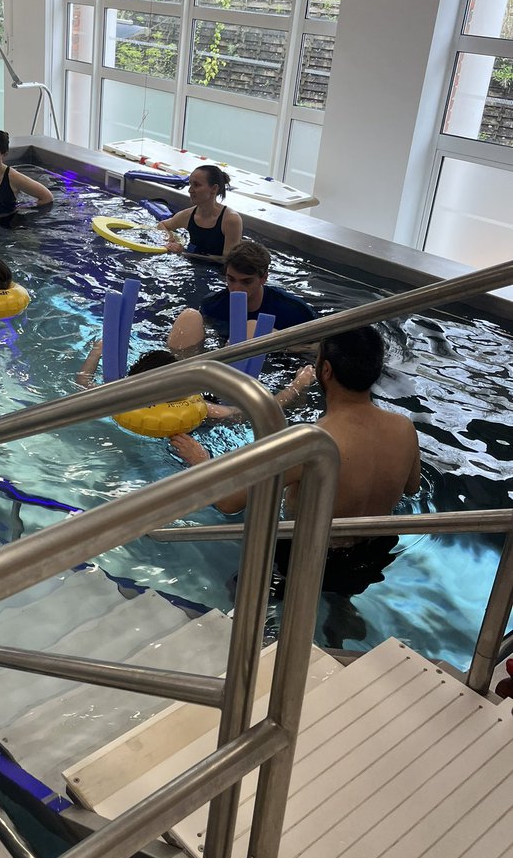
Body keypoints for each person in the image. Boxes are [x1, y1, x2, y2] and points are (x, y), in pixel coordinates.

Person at [172, 326, 421, 597]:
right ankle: (342, 615)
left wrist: (201, 461)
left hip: (308, 556)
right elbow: (411, 488)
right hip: (375, 553)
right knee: (341, 591)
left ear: (325, 370)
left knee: (241, 593)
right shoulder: (403, 428)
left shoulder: (311, 441)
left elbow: (229, 502)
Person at [76, 339, 315, 420]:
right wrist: (97, 352)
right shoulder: (130, 397)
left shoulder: (199, 406)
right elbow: (84, 385)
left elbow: (248, 411)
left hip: (209, 399)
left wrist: (296, 386)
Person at [167, 239, 316, 355]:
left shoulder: (294, 311)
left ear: (263, 279)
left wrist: (281, 343)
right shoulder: (213, 304)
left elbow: (321, 347)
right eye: (231, 279)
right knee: (189, 317)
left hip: (272, 361)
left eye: (246, 281)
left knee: (252, 328)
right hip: (225, 359)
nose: (236, 288)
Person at [157, 165, 242, 261]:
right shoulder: (187, 216)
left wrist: (184, 253)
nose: (190, 190)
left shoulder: (230, 220)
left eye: (196, 185)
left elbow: (227, 261)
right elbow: (162, 225)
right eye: (190, 184)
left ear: (214, 189)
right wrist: (171, 240)